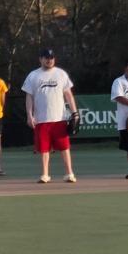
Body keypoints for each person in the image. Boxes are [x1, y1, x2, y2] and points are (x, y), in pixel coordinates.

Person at [22, 48, 77, 184]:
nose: (49, 60)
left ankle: (69, 173)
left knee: (64, 147)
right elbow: (29, 97)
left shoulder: (61, 73)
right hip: (41, 119)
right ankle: (45, 174)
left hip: (59, 118)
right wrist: (29, 115)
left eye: (51, 58)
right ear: (40, 59)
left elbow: (68, 95)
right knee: (44, 148)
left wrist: (75, 112)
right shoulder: (33, 75)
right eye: (46, 58)